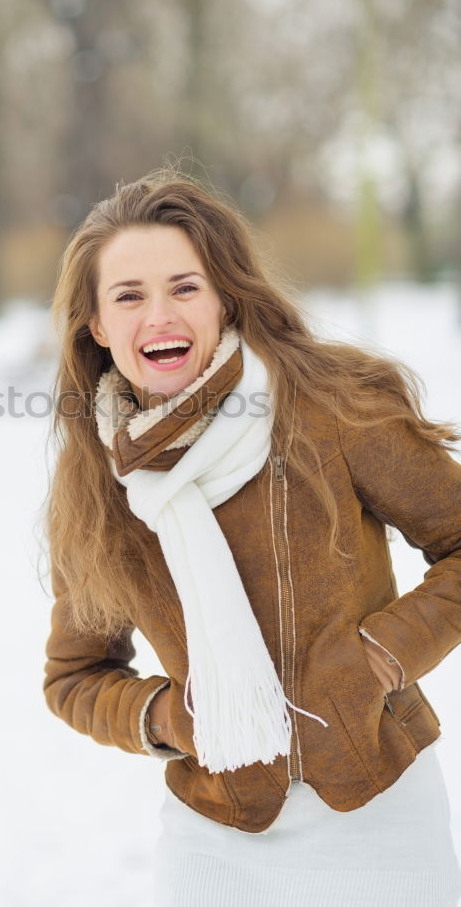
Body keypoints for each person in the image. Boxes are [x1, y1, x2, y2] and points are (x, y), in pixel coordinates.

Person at [41, 165, 461, 906]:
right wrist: (169, 718)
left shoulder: (334, 408)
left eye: (184, 286)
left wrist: (380, 658)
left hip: (381, 806)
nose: (158, 315)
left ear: (224, 298)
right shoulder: (96, 484)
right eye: (128, 296)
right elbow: (74, 678)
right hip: (216, 832)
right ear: (98, 327)